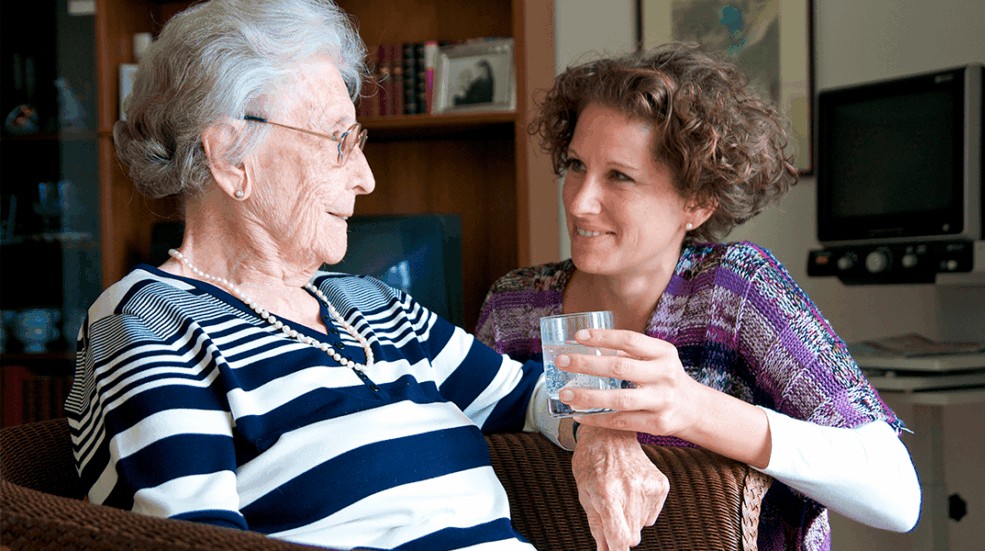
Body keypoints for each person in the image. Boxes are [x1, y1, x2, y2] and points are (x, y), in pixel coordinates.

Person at [64, 1, 643, 549]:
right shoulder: (148, 324)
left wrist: (603, 434)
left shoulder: (372, 305)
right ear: (230, 156)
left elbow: (541, 394)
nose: (365, 178)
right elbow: (198, 542)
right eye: (338, 141)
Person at [476, 43, 922, 550]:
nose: (580, 202)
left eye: (619, 176)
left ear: (698, 202)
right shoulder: (514, 308)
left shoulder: (736, 292)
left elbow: (896, 494)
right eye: (576, 165)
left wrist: (693, 409)